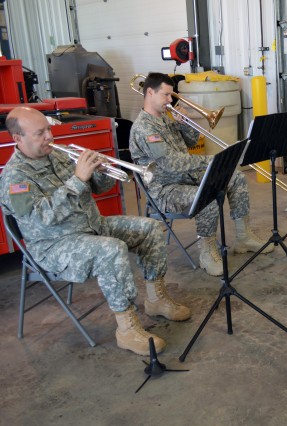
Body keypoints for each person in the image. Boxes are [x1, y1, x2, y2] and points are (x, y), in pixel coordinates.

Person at [0, 107, 191, 356]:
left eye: (48, 129)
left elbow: (97, 188)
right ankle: (126, 328)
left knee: (151, 228)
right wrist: (78, 180)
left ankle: (156, 298)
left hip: (92, 227)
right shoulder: (15, 178)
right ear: (18, 139)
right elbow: (42, 218)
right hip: (54, 245)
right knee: (111, 250)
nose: (49, 136)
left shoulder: (55, 155)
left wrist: (100, 171)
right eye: (39, 133)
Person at [129, 72, 271, 277]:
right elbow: (170, 163)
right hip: (165, 189)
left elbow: (192, 142)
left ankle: (243, 237)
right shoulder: (144, 128)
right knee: (208, 197)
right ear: (150, 92)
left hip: (185, 176)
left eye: (171, 95)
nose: (171, 100)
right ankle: (206, 251)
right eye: (166, 95)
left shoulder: (166, 119)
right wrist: (208, 160)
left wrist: (184, 122)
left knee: (236, 177)